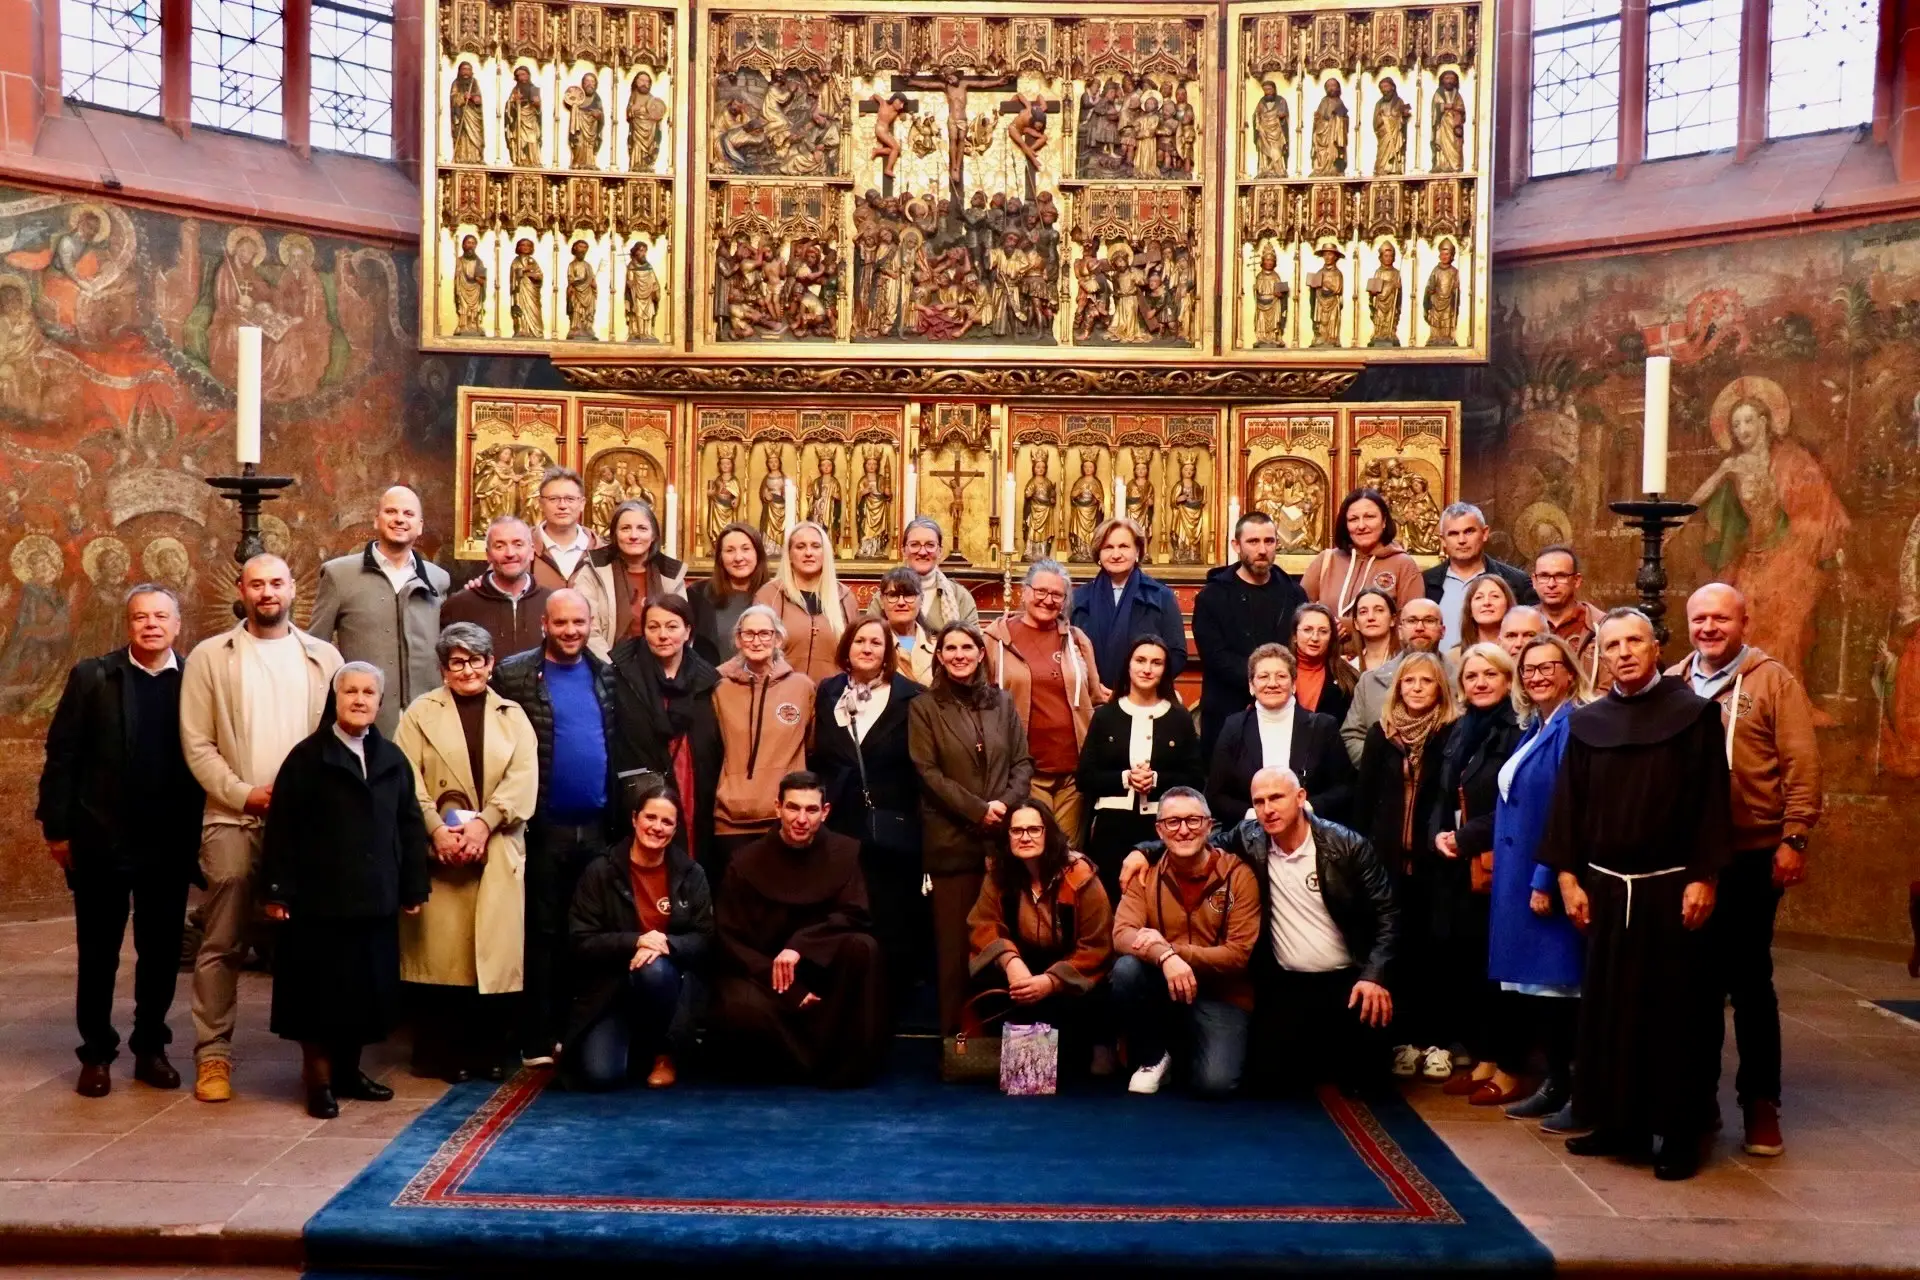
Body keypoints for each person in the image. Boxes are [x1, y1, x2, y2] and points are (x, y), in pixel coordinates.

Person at [1543, 609, 1733, 1181]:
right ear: (1601, 655)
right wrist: (1568, 878)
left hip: (1670, 888)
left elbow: (1711, 800)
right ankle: (1617, 1122)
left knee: (1674, 1015)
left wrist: (1704, 876)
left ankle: (1678, 1133)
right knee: (1608, 1011)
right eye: (1613, 645)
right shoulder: (1588, 722)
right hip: (1605, 887)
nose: (1624, 652)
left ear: (1655, 649)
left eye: (1634, 642)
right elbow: (1569, 803)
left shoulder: (1693, 715)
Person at [180, 554, 343, 1103]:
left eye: (276, 583)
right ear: (241, 591)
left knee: (311, 943)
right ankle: (213, 1054)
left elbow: (339, 737)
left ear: (293, 589)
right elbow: (197, 743)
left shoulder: (324, 657)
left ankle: (317, 1060)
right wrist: (244, 793)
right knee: (223, 938)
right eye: (257, 584)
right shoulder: (211, 657)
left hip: (306, 825)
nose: (267, 592)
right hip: (234, 814)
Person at [1125, 767, 1398, 1095]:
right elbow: (1193, 839)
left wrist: (1374, 975)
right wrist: (1143, 850)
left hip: (1350, 980)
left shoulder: (1347, 845)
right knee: (1271, 1080)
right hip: (1288, 984)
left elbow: (1389, 914)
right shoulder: (1250, 837)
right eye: (1259, 801)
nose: (1268, 809)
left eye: (1276, 798)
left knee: (1369, 1085)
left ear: (1301, 798)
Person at [1669, 583, 1822, 1158]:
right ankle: (1698, 1098)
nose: (1709, 628)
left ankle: (1760, 1102)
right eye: (1699, 618)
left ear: (1743, 623)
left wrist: (1794, 836)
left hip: (1752, 850)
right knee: (1694, 982)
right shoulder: (1674, 683)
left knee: (1749, 980)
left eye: (1721, 618)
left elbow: (1802, 763)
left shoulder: (1773, 682)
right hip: (1687, 855)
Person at [38, 583, 203, 1097]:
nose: (151, 624)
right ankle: (96, 1053)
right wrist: (57, 828)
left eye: (161, 616)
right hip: (101, 838)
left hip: (168, 841)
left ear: (177, 625)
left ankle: (150, 1048)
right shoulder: (94, 676)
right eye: (140, 616)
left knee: (160, 952)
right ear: (128, 624)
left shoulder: (196, 681)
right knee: (98, 953)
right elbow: (62, 754)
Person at [261, 663, 430, 1119]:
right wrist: (277, 890)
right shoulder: (306, 758)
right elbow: (283, 828)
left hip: (374, 898)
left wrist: (413, 885)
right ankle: (318, 1081)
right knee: (319, 996)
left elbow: (409, 825)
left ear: (379, 702)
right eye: (350, 691)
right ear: (336, 700)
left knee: (363, 993)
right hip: (318, 902)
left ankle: (349, 1072)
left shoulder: (392, 759)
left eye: (368, 692)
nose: (359, 699)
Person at [393, 623, 538, 1083]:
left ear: (491, 664)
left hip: (495, 845)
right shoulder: (419, 714)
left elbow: (523, 778)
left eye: (476, 660)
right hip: (439, 850)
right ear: (443, 668)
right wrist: (436, 831)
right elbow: (406, 779)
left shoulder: (513, 716)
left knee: (491, 958)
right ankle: (440, 1054)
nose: (468, 670)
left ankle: (489, 1053)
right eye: (457, 662)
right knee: (443, 958)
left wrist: (484, 824)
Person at [489, 589, 618, 1067]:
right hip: (542, 827)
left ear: (590, 624)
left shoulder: (605, 674)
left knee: (587, 932)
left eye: (578, 622)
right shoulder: (515, 674)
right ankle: (537, 1036)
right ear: (544, 623)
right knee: (540, 932)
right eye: (561, 622)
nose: (570, 631)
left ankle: (577, 1030)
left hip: (596, 827)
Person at [709, 772, 888, 1087]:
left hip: (825, 974)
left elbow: (855, 914)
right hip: (765, 979)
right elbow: (729, 938)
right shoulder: (745, 862)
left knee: (864, 948)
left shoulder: (844, 853)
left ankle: (847, 1066)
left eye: (811, 809)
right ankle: (806, 1067)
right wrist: (784, 984)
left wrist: (800, 945)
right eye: (793, 808)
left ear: (825, 812)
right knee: (739, 1006)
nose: (801, 819)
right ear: (777, 807)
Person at [910, 621, 1034, 1036]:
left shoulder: (1002, 701)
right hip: (953, 843)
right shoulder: (925, 707)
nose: (959, 655)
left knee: (1009, 946)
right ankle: (957, 1043)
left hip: (1005, 842)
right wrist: (979, 810)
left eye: (967, 647)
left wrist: (1004, 805)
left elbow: (1022, 763)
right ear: (939, 656)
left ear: (981, 653)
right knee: (955, 952)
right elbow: (928, 773)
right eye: (951, 648)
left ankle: (1009, 1045)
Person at [1486, 634, 1591, 1127]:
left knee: (1561, 988)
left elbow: (1567, 811)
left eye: (1548, 667)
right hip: (1518, 874)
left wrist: (1545, 878)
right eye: (1529, 669)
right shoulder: (1535, 726)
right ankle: (1555, 1083)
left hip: (1545, 874)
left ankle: (1573, 1088)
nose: (1537, 676)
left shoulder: (1573, 727)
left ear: (1569, 672)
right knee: (1540, 990)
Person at [809, 617, 926, 1020]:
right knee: (845, 916)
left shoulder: (912, 697)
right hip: (840, 824)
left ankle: (889, 1011)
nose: (868, 648)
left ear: (888, 652)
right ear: (847, 646)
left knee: (891, 918)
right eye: (860, 640)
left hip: (892, 828)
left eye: (877, 642)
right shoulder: (828, 692)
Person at [565, 776, 714, 1090]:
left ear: (675, 828)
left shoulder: (691, 874)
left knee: (654, 970)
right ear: (634, 819)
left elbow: (705, 938)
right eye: (650, 817)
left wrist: (665, 944)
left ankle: (663, 1052)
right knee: (599, 1076)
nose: (657, 827)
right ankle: (634, 1048)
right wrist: (635, 941)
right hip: (611, 988)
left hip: (669, 984)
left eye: (667, 822)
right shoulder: (600, 871)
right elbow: (580, 941)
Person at [1424, 644, 1524, 1100]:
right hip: (1459, 865)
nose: (1480, 683)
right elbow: (1442, 793)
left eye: (1490, 674)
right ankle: (1484, 1059)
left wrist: (1464, 838)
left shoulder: (1518, 729)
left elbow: (1516, 802)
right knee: (1471, 965)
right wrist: (1439, 836)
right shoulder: (1460, 729)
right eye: (1471, 676)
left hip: (1498, 861)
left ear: (1507, 679)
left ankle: (1509, 1067)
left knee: (1500, 969)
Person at [1111, 787, 1260, 1095]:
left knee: (1215, 1084)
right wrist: (1165, 958)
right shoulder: (1145, 873)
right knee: (1126, 970)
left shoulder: (1239, 875)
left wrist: (1172, 950)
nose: (1183, 830)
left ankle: (1185, 1051)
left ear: (1209, 825)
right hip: (1163, 986)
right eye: (1173, 822)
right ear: (1159, 830)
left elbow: (1237, 955)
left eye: (1193, 820)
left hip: (1221, 992)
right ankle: (1153, 1057)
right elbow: (1122, 934)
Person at [1353, 651, 1457, 1077]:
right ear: (1397, 688)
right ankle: (1403, 1041)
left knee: (1436, 951)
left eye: (1426, 681)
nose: (1416, 688)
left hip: (1437, 864)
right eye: (1409, 681)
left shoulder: (1451, 733)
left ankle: (1437, 1042)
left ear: (1440, 689)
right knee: (1397, 951)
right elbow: (1364, 801)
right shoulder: (1381, 734)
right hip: (1387, 862)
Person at [966, 798, 1113, 1074]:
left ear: (1049, 833)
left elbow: (1096, 945)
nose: (1025, 837)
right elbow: (983, 923)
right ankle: (1027, 1065)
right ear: (1007, 836)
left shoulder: (1080, 876)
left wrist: (1051, 982)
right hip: (1022, 968)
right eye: (1017, 830)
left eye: (1034, 829)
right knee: (984, 976)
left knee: (1073, 1067)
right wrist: (1011, 962)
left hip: (1070, 974)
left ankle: (1089, 1049)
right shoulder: (998, 874)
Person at [309, 486, 451, 736]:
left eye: (408, 513)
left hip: (427, 720)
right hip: (363, 721)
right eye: (391, 511)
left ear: (419, 526)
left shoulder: (438, 579)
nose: (399, 519)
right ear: (376, 520)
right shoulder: (338, 575)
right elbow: (316, 649)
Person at [982, 561, 1107, 842]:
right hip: (1025, 771)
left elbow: (1095, 696)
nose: (1048, 600)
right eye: (1041, 591)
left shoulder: (1076, 640)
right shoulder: (995, 639)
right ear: (1024, 592)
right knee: (1031, 848)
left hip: (1073, 774)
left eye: (1057, 594)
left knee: (1068, 853)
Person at [1079, 635, 1203, 900]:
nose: (1147, 669)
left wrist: (1156, 780)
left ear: (1165, 670)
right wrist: (1125, 779)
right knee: (1112, 900)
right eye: (1141, 660)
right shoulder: (1105, 716)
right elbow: (1085, 777)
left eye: (1156, 663)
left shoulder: (1179, 717)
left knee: (1161, 900)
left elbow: (1195, 778)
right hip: (1112, 828)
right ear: (1128, 665)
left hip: (1163, 826)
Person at [610, 594, 721, 867]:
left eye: (672, 627)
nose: (662, 635)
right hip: (639, 789)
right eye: (653, 627)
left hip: (692, 780)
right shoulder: (620, 675)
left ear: (688, 631)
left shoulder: (708, 681)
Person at [1191, 512, 1308, 762]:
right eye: (1253, 542)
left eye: (1269, 541)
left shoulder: (1295, 594)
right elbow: (1215, 656)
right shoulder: (1212, 596)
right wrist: (1261, 680)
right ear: (1236, 545)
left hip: (1283, 707)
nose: (1262, 550)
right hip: (1227, 708)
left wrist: (1276, 682)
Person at [711, 604, 815, 876]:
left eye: (764, 634)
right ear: (738, 640)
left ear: (778, 639)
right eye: (748, 634)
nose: (756, 641)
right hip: (730, 819)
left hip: (784, 817)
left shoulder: (802, 687)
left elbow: (813, 744)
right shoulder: (719, 687)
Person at [1206, 642, 1352, 826]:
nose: (1272, 684)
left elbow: (1345, 788)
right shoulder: (1234, 727)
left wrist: (1307, 807)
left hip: (1310, 830)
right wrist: (1254, 814)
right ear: (1251, 685)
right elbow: (1215, 796)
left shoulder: (1323, 726)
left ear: (1294, 684)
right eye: (1263, 677)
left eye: (1281, 676)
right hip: (1250, 833)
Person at [1069, 517, 1188, 693]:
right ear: (1098, 553)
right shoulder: (1078, 598)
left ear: (1138, 550)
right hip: (1090, 697)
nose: (1116, 554)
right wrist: (1092, 686)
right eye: (1108, 547)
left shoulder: (1161, 596)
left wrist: (1140, 687)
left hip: (1143, 697)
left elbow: (1177, 654)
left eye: (1124, 546)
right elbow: (1066, 653)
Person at [1302, 488, 1423, 635]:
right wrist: (1323, 625)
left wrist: (1347, 626)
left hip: (1382, 650)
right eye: (1353, 519)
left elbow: (1411, 624)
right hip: (1327, 650)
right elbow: (1300, 615)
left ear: (1384, 521)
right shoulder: (1326, 560)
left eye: (1369, 517)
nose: (1361, 526)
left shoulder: (1404, 565)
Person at [1340, 597, 1445, 765]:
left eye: (1429, 620)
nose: (1420, 627)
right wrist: (1389, 766)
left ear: (1443, 631)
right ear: (1400, 631)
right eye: (1412, 621)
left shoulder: (1462, 679)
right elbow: (1351, 737)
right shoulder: (1370, 682)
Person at [589, 498, 697, 656]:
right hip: (606, 664)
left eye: (642, 528)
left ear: (653, 535)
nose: (634, 535)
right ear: (614, 534)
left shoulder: (670, 575)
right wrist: (612, 665)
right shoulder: (593, 570)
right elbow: (588, 630)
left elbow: (682, 627)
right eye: (625, 528)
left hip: (660, 665)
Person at [1423, 503, 1536, 652]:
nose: (1462, 540)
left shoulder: (1516, 582)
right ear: (1443, 540)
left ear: (1485, 533)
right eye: (1453, 534)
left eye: (1469, 531)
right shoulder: (1425, 582)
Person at [755, 521, 858, 684]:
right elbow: (754, 650)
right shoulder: (770, 595)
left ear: (825, 553)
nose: (808, 553)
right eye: (800, 547)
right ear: (789, 555)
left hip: (833, 695)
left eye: (816, 546)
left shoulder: (845, 598)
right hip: (779, 692)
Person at [442, 516, 552, 661]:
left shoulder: (551, 603)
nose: (510, 553)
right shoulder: (459, 606)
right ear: (488, 554)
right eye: (499, 546)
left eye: (518, 544)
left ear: (532, 551)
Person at [874, 516, 978, 631]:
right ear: (903, 550)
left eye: (930, 545)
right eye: (914, 545)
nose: (923, 552)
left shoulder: (960, 597)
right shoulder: (886, 595)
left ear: (940, 551)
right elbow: (870, 635)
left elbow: (973, 640)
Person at [692, 522, 770, 665]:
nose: (738, 558)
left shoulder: (774, 594)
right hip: (713, 677)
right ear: (720, 557)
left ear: (758, 553)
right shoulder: (698, 594)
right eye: (730, 550)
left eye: (745, 549)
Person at [1531, 546, 1606, 687]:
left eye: (1560, 576)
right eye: (1544, 576)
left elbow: (1608, 686)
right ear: (1534, 581)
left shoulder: (1601, 626)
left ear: (1576, 580)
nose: (1551, 584)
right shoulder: (1520, 626)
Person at [529, 467, 607, 603]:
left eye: (570, 499)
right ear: (541, 504)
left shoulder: (602, 553)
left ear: (582, 504)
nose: (562, 505)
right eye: (553, 499)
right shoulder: (522, 548)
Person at [1289, 602, 1355, 725]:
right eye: (1307, 630)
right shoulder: (1276, 672)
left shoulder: (1349, 678)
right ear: (1294, 636)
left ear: (1331, 638)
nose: (1315, 638)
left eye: (1323, 631)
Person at [874, 565, 937, 685]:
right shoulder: (870, 648)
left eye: (909, 595)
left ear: (921, 600)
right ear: (882, 601)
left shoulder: (938, 647)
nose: (901, 602)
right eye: (893, 595)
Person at [1445, 573, 1517, 669]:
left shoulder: (1519, 649)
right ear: (1470, 610)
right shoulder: (1453, 658)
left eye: (1495, 596)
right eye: (1479, 597)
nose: (1486, 602)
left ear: (1508, 605)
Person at [1346, 586, 1402, 674]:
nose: (1370, 617)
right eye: (1363, 612)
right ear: (1356, 623)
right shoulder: (1349, 668)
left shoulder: (1406, 661)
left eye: (1379, 610)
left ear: (1392, 619)